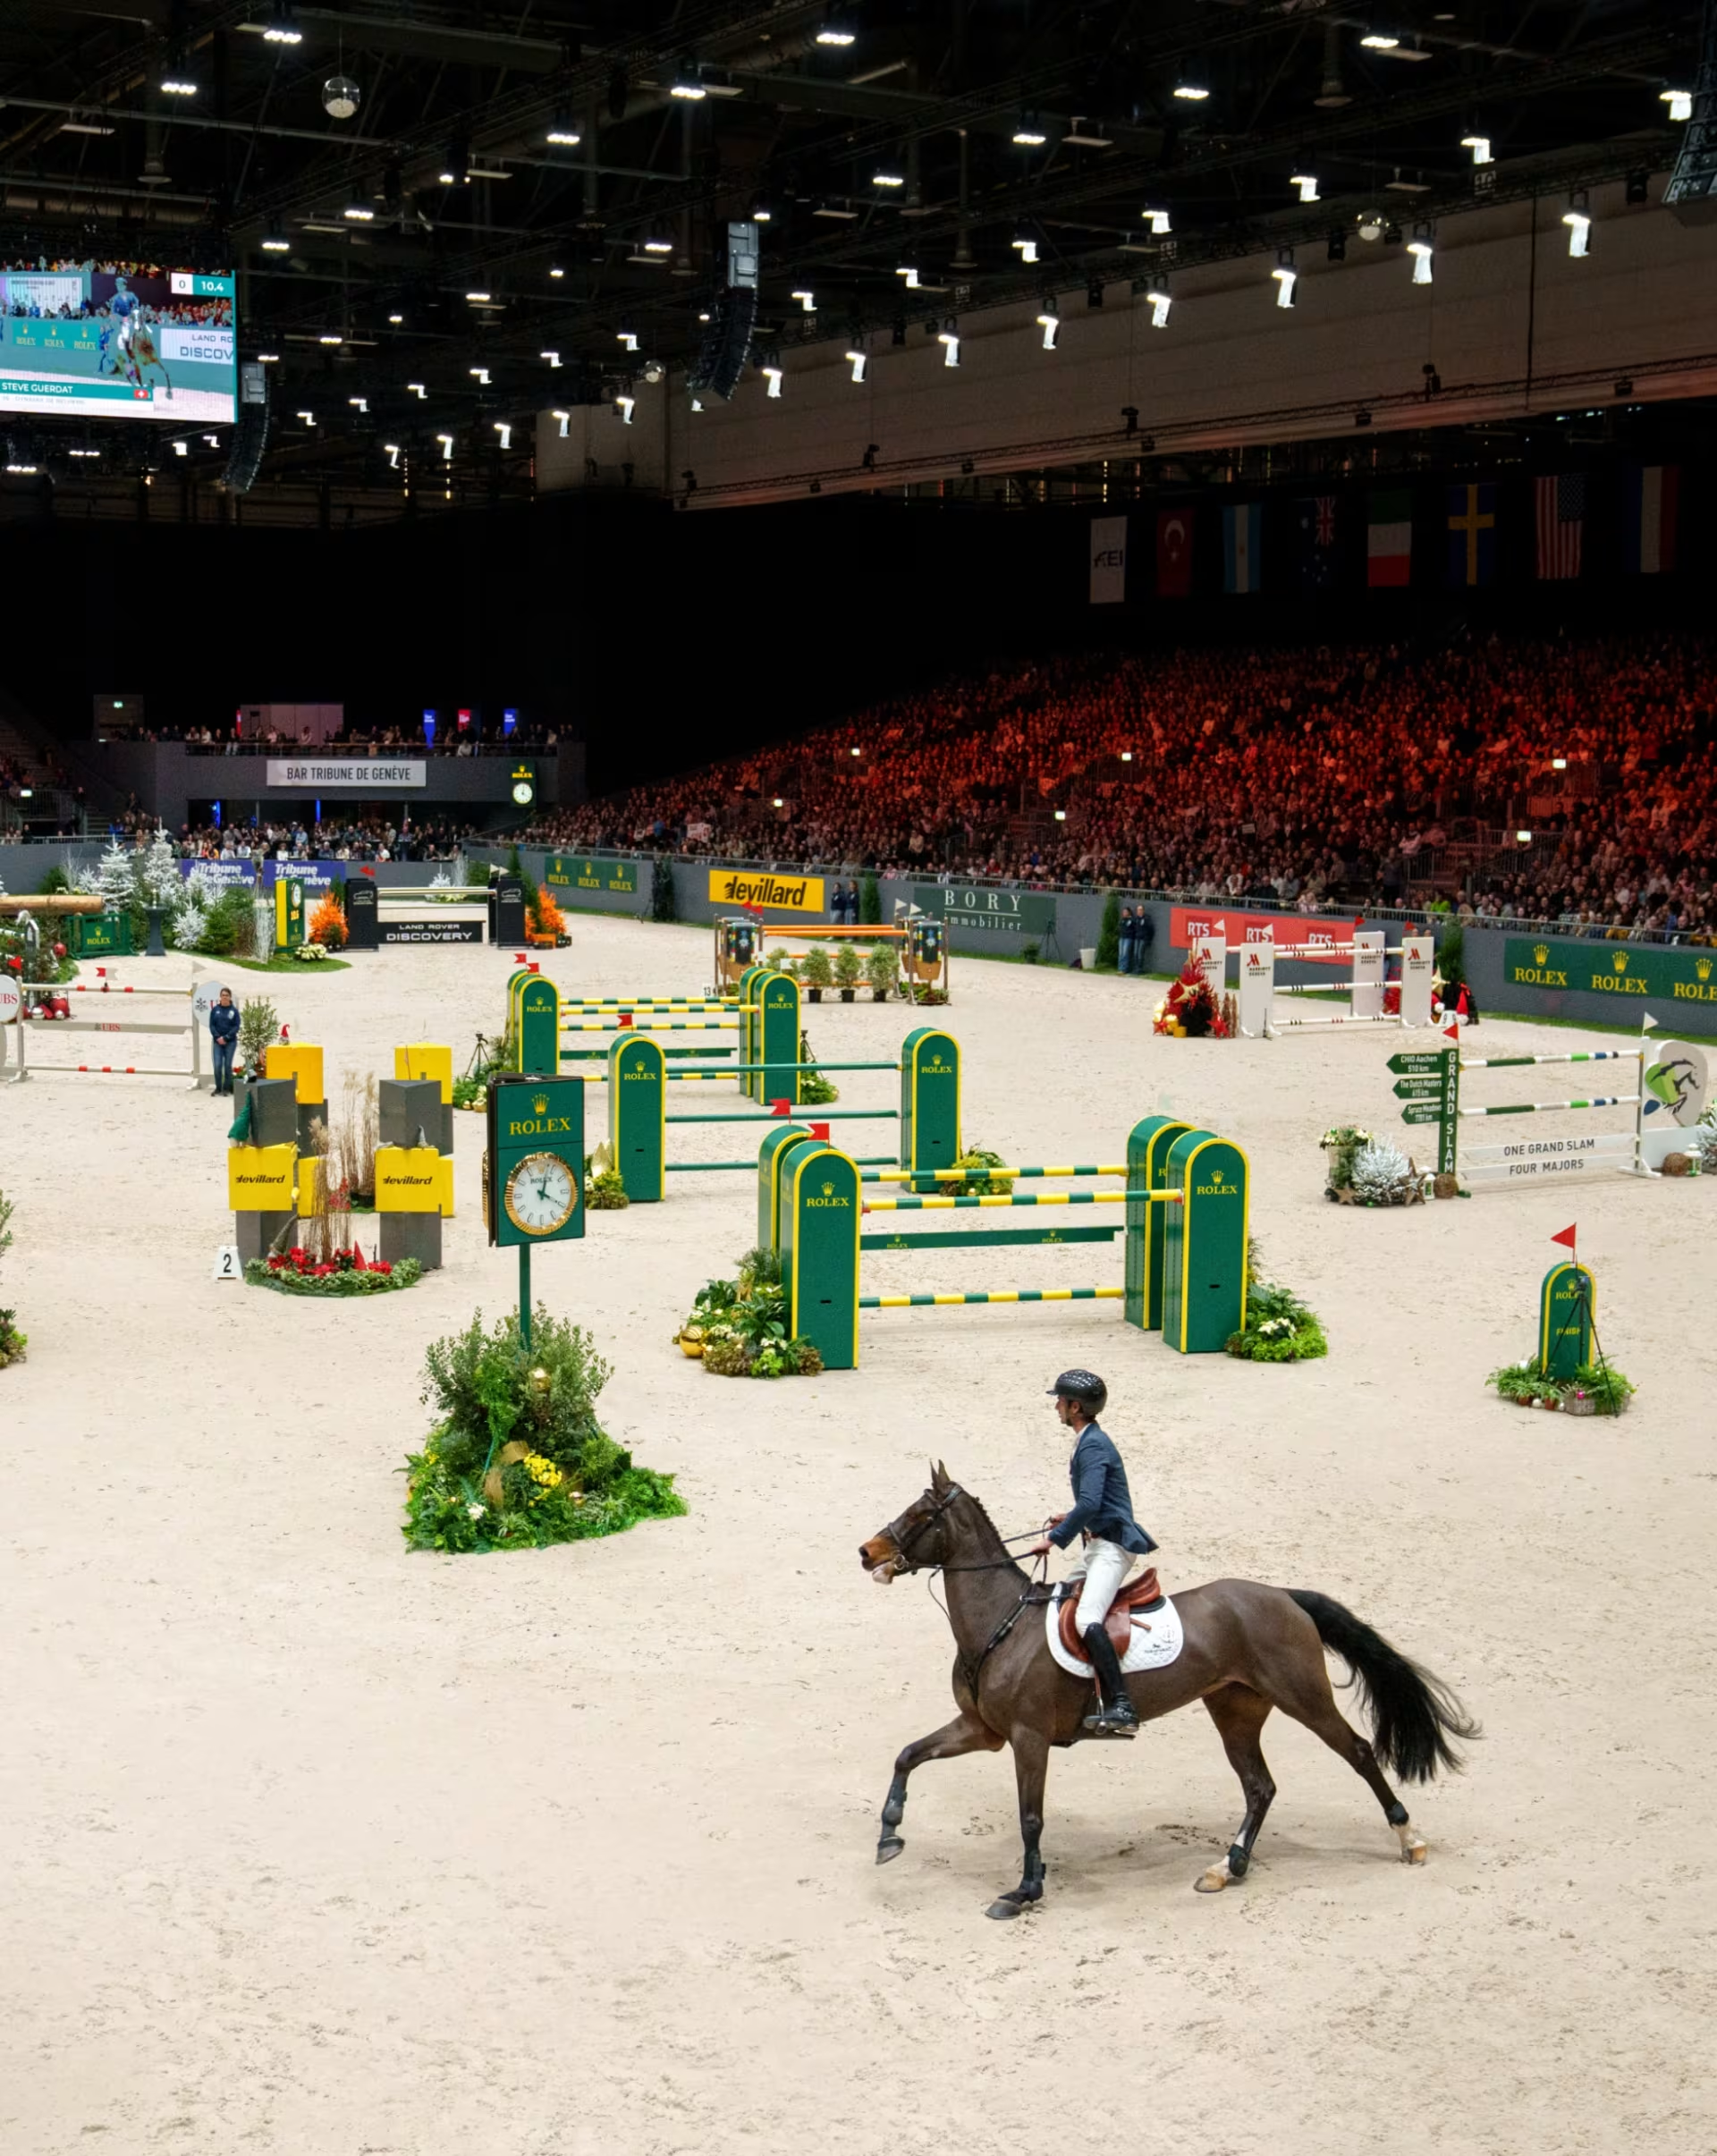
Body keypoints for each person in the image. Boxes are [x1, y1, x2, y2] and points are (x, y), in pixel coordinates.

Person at [1028, 1370, 1157, 1737]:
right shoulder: (1087, 1439)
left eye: (1061, 1401)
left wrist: (1054, 1537)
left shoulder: (1094, 1445)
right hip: (1098, 1540)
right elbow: (1098, 1502)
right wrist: (1070, 1516)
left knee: (1086, 1619)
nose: (1056, 1406)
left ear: (1076, 1407)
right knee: (1061, 1601)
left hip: (1113, 1546)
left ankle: (1122, 1703)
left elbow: (1090, 1501)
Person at [208, 985, 240, 1096]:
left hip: (230, 1042)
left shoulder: (234, 1011)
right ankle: (218, 1088)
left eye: (227, 995)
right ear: (220, 997)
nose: (225, 997)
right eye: (223, 995)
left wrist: (226, 1038)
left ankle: (226, 1088)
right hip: (217, 1042)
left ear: (230, 997)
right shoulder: (215, 1010)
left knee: (227, 1065)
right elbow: (212, 1025)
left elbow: (236, 1027)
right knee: (217, 1065)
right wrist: (218, 1037)